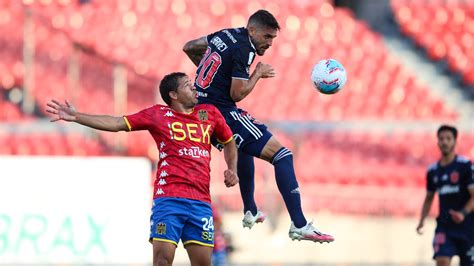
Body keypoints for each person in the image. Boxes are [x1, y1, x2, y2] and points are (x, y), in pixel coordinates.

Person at [46, 72, 239, 266]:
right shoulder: (157, 114)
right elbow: (118, 123)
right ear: (174, 95)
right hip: (169, 198)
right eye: (188, 85)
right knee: (162, 260)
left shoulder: (209, 113)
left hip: (201, 201)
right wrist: (77, 116)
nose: (194, 87)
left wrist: (232, 169)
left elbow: (229, 141)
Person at [183, 9, 334, 243]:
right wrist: (258, 73)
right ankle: (300, 224)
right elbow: (238, 92)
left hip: (203, 112)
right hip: (222, 112)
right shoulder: (245, 48)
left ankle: (250, 210)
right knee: (282, 155)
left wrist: (212, 78)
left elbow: (190, 46)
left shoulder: (225, 34)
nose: (270, 43)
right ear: (252, 30)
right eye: (266, 37)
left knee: (245, 149)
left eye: (273, 38)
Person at [416, 125, 474, 266]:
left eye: (448, 138)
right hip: (445, 226)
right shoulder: (433, 171)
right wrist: (422, 220)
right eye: (441, 139)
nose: (444, 142)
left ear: (455, 141)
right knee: (441, 259)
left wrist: (463, 213)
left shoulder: (465, 166)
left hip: (467, 227)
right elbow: (429, 198)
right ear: (437, 142)